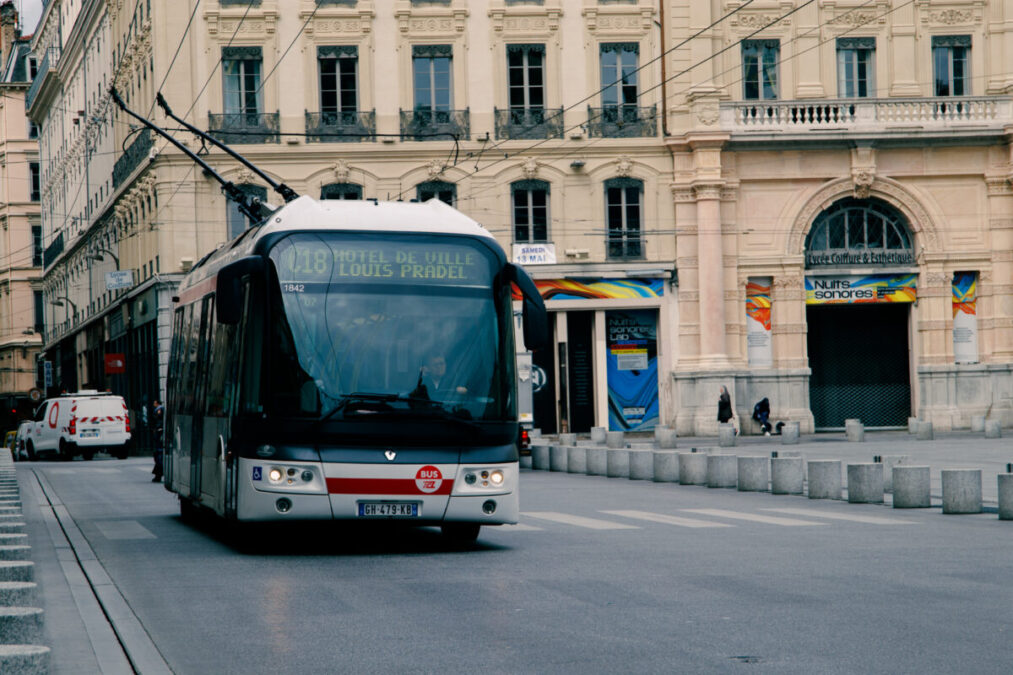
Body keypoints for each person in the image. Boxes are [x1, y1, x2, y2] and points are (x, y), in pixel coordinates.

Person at [151, 399, 164, 482]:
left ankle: (158, 474)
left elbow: (158, 419)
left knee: (158, 454)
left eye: (154, 402)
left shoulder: (159, 409)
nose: (153, 404)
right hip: (159, 432)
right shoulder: (160, 409)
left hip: (159, 433)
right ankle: (158, 474)